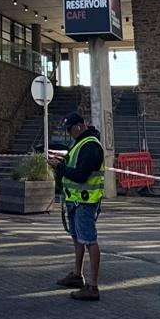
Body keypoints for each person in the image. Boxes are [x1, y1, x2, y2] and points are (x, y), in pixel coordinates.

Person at [54, 112, 104, 301]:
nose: (68, 133)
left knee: (89, 240)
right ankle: (77, 275)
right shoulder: (80, 143)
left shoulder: (90, 145)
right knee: (78, 238)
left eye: (69, 129)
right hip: (76, 200)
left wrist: (60, 168)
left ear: (78, 126)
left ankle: (93, 286)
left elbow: (81, 175)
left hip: (85, 201)